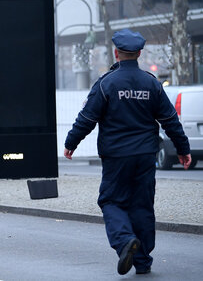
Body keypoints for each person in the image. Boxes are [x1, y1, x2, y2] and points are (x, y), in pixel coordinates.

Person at [63, 29, 192, 276]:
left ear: (116, 53)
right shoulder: (151, 83)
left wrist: (71, 143)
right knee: (142, 205)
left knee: (111, 200)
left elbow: (87, 118)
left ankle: (124, 241)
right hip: (145, 155)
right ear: (139, 54)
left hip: (116, 156)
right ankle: (142, 261)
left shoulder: (106, 84)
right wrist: (183, 149)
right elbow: (170, 120)